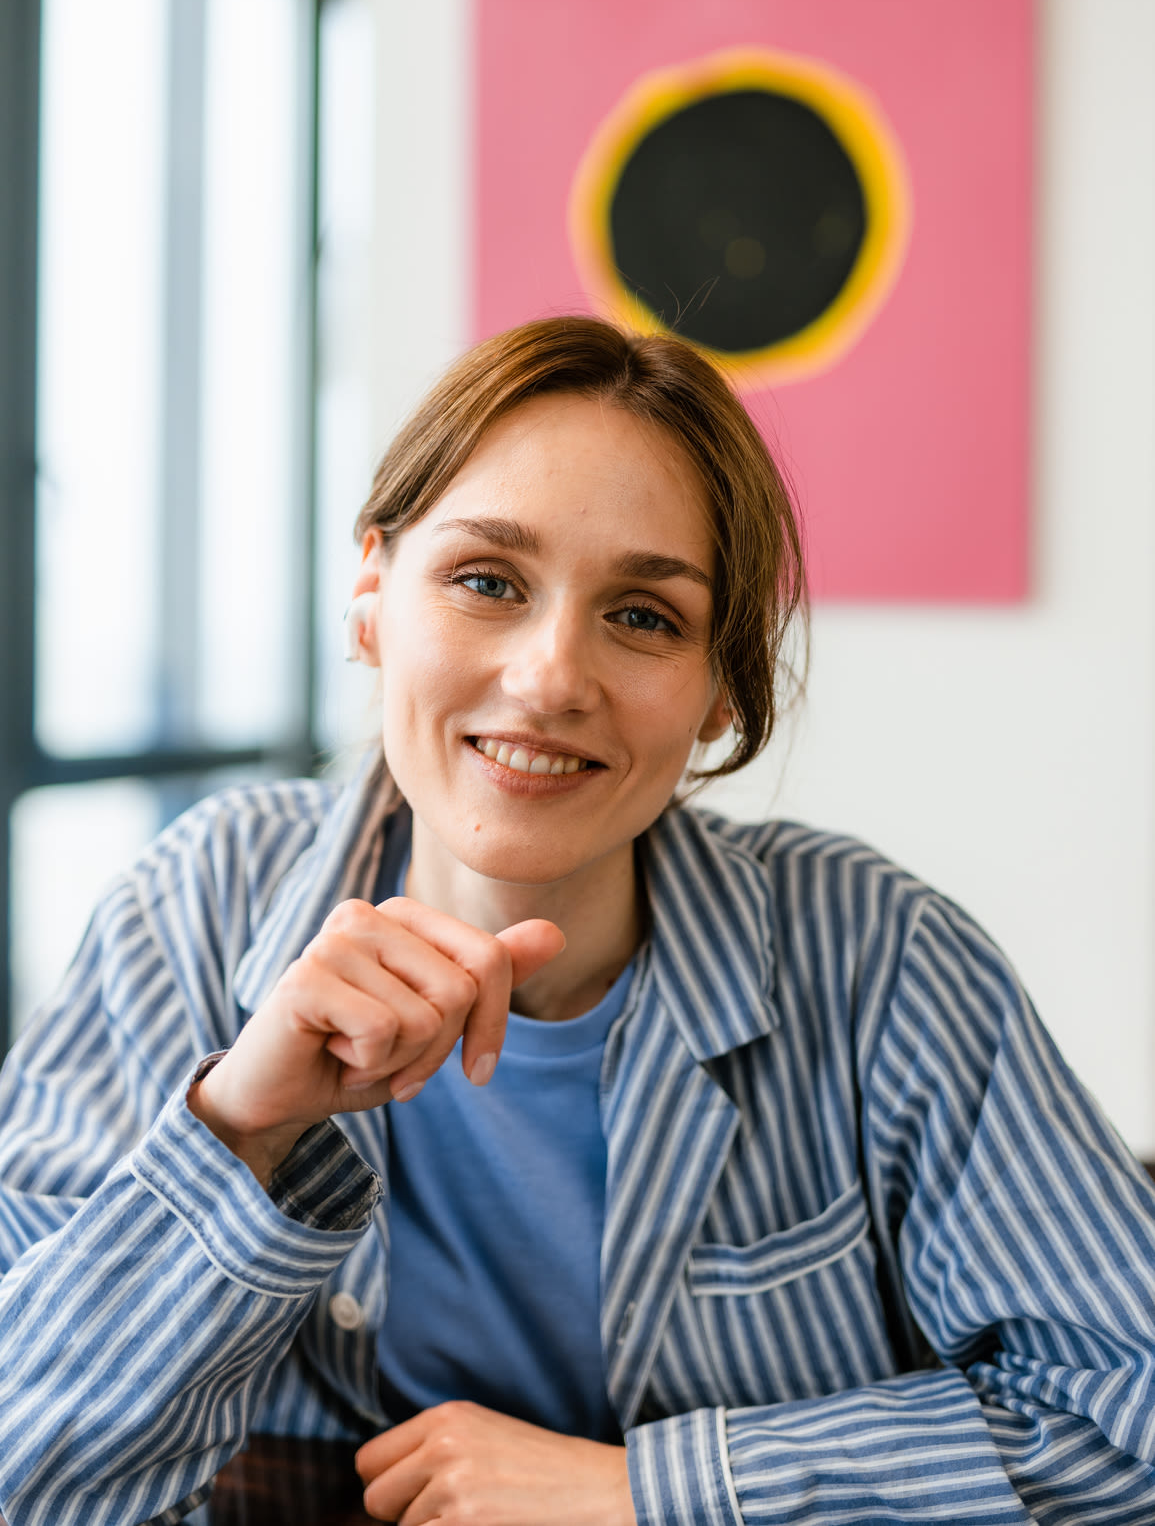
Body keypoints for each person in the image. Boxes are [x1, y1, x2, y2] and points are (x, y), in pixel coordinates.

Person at [1, 315, 1153, 1526]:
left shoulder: (880, 962)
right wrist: (238, 1127)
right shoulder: (194, 908)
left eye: (645, 615)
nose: (552, 678)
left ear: (720, 691)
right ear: (371, 596)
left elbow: (1124, 1423)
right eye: (487, 581)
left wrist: (646, 1489)